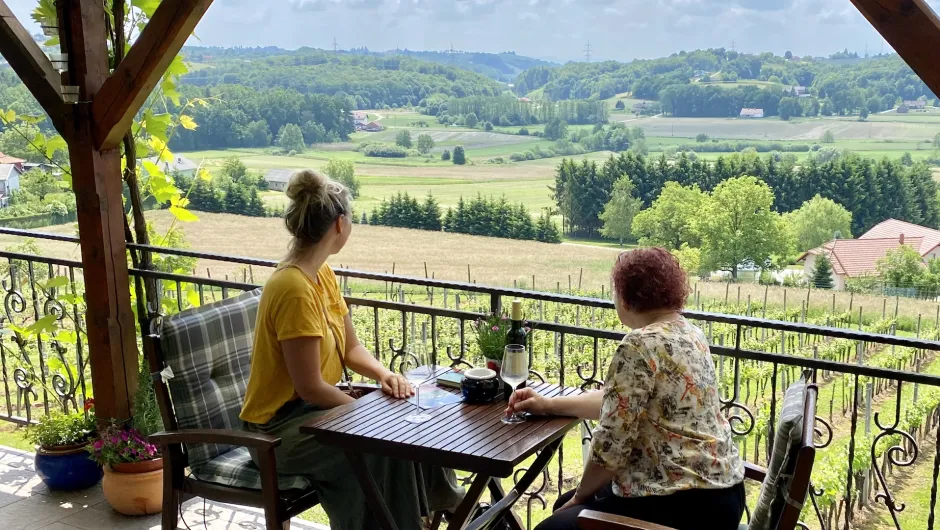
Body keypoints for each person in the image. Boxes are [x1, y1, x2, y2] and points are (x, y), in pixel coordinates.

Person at [240, 170, 463, 530]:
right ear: (340, 225)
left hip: (314, 411)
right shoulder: (293, 289)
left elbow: (351, 347)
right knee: (385, 443)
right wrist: (366, 413)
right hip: (278, 434)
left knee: (413, 421)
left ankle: (448, 509)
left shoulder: (321, 274)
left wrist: (385, 375)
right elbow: (310, 386)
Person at [508, 248, 745, 530]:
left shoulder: (638, 344)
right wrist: (548, 405)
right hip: (724, 498)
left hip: (679, 504)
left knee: (553, 525)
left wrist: (581, 497)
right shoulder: (689, 333)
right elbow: (618, 404)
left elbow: (611, 446)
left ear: (625, 296)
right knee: (565, 505)